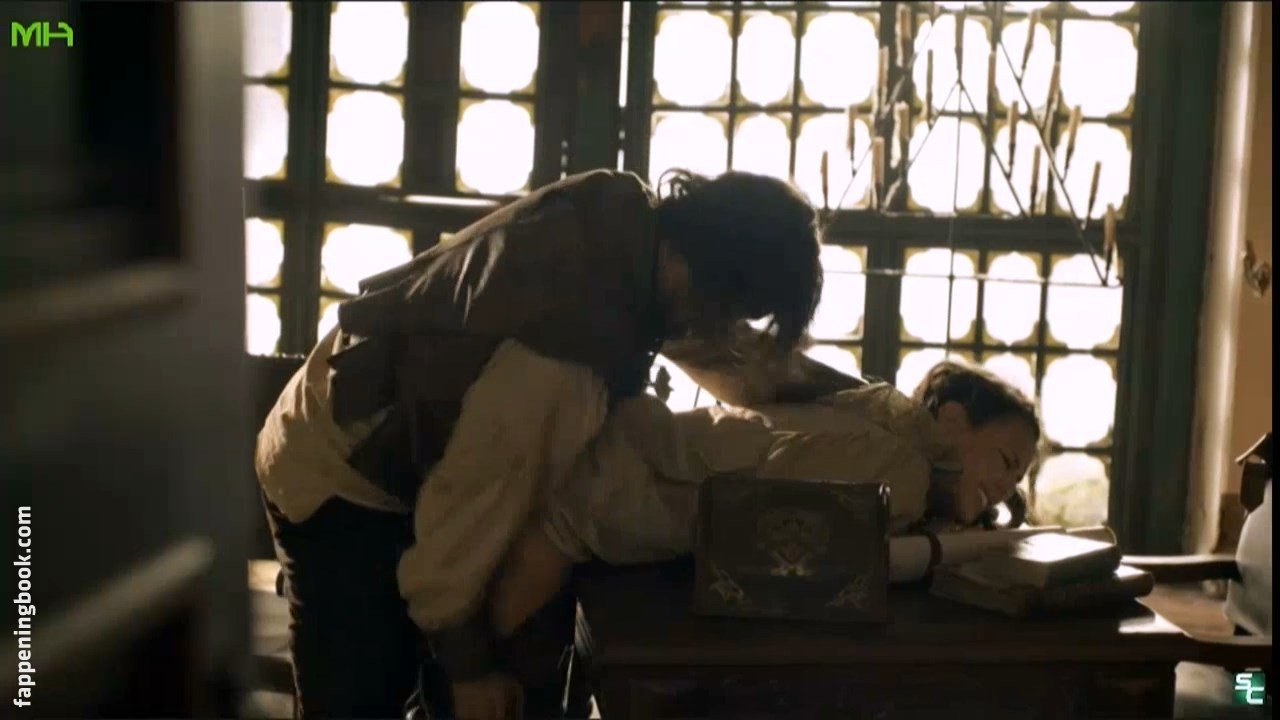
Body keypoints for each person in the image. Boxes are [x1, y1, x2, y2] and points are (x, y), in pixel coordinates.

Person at [255, 168, 842, 718]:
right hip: (335, 476)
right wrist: (467, 669)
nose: (722, 329)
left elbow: (716, 356)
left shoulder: (626, 216)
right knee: (358, 700)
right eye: (733, 311)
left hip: (356, 421)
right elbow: (460, 519)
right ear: (712, 277)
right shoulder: (563, 360)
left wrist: (840, 396)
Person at [479, 360, 1043, 648]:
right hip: (610, 489)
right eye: (1005, 460)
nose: (1006, 487)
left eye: (1018, 478)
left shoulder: (894, 449)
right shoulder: (903, 471)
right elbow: (778, 525)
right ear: (952, 423)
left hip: (615, 477)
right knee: (490, 677)